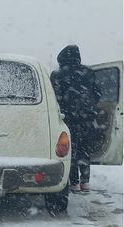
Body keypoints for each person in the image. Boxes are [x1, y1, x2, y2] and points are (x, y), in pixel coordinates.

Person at [50, 45, 101, 192]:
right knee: (85, 150)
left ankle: (74, 183)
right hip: (87, 119)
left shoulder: (57, 74)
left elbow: (53, 96)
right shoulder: (88, 72)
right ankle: (85, 182)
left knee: (70, 151)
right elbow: (98, 93)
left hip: (67, 119)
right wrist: (88, 106)